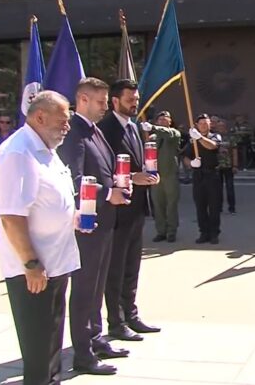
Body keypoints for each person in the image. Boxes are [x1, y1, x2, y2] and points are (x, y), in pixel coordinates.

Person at [0, 91, 84, 385]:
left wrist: (73, 217)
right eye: (64, 120)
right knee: (37, 351)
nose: (67, 126)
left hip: (56, 264)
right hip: (33, 270)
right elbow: (11, 216)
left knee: (51, 347)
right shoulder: (18, 152)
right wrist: (30, 262)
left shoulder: (47, 149)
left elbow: (51, 201)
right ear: (40, 116)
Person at [58, 78, 133, 375]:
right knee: (85, 289)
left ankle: (95, 337)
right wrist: (107, 193)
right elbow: (74, 180)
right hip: (87, 224)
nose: (106, 107)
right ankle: (83, 354)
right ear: (83, 100)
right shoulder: (75, 133)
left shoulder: (95, 131)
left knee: (98, 285)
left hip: (105, 222)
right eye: (101, 102)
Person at [98, 79, 161, 341]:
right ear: (115, 101)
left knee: (132, 266)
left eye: (136, 99)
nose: (135, 103)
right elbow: (102, 168)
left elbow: (137, 163)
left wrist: (147, 175)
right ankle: (116, 321)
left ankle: (131, 315)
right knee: (116, 267)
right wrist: (133, 177)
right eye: (129, 99)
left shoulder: (133, 127)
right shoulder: (105, 129)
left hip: (136, 208)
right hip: (117, 210)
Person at [141, 111, 182, 242]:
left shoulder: (174, 134)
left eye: (166, 120)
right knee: (158, 205)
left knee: (171, 205)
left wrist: (153, 127)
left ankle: (171, 231)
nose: (163, 121)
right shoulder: (152, 137)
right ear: (157, 121)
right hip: (155, 175)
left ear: (170, 122)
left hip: (170, 175)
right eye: (160, 120)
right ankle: (161, 231)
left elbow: (167, 133)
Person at [182, 114, 223, 244]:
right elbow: (185, 157)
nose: (204, 126)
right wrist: (191, 163)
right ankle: (203, 232)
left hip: (212, 175)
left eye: (206, 123)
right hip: (199, 175)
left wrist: (199, 137)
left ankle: (214, 233)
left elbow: (212, 146)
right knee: (200, 205)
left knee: (214, 205)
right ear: (197, 125)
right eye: (201, 124)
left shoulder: (215, 137)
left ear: (210, 124)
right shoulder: (192, 140)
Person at [215, 120, 239, 214]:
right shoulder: (214, 138)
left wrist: (235, 165)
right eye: (219, 126)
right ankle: (219, 207)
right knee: (217, 189)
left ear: (225, 127)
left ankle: (232, 208)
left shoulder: (231, 138)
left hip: (228, 166)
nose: (220, 128)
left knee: (230, 188)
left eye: (222, 126)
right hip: (217, 166)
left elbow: (234, 152)